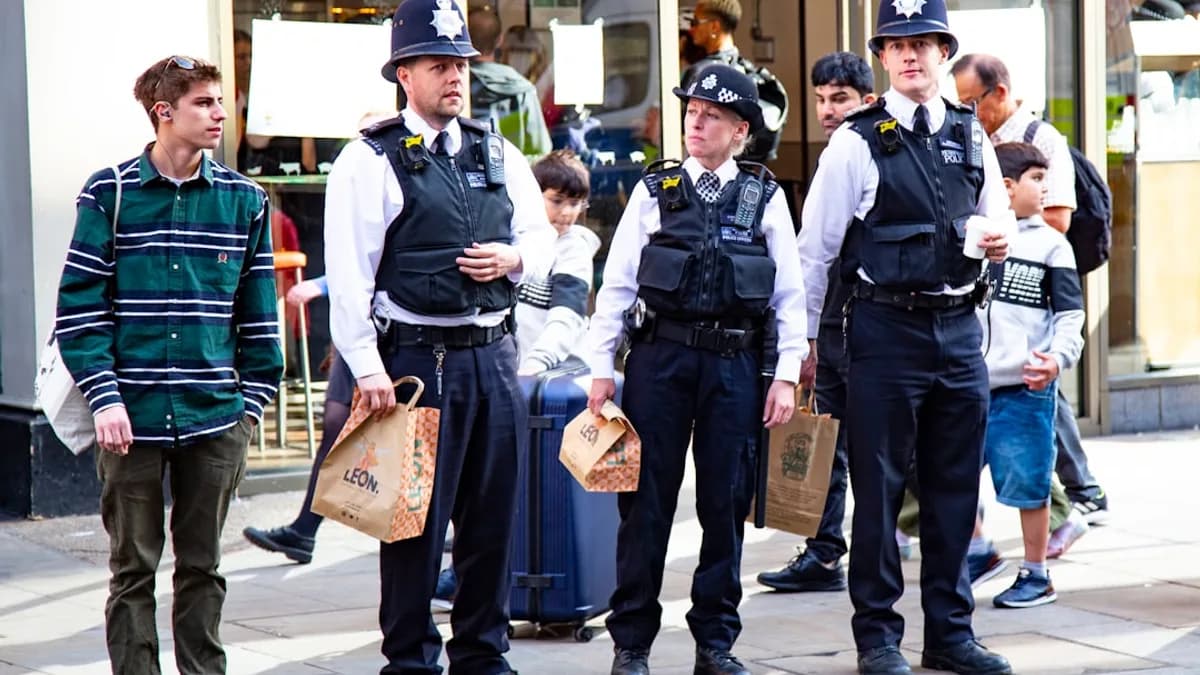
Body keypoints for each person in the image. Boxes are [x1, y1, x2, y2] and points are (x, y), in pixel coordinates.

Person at [323, 0, 555, 671]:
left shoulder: (497, 149)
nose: (455, 77)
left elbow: (540, 239)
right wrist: (368, 371)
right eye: (438, 65)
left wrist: (513, 259)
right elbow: (351, 276)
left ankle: (484, 654)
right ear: (403, 74)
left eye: (460, 64)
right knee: (409, 528)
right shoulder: (368, 160)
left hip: (493, 356)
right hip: (414, 361)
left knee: (491, 524)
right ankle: (410, 660)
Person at [795, 1, 1016, 673]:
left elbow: (994, 212)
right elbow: (815, 250)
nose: (912, 54)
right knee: (880, 489)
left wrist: (998, 238)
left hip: (956, 328)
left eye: (924, 42)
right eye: (899, 45)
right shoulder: (856, 140)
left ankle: (950, 633)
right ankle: (878, 637)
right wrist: (801, 346)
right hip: (883, 329)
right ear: (883, 59)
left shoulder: (968, 131)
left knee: (954, 490)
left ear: (944, 51)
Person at [55, 55, 282, 674]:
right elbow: (78, 309)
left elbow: (260, 314)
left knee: (203, 567)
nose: (219, 113)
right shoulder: (111, 193)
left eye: (219, 101)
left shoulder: (245, 200)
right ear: (165, 113)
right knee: (132, 570)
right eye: (205, 102)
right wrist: (104, 398)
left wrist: (252, 407)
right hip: (130, 417)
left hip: (216, 416)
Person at [587, 62, 807, 675]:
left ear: (741, 131)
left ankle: (716, 643)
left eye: (712, 116)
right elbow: (617, 284)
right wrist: (601, 368)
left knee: (725, 503)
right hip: (660, 361)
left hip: (735, 367)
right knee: (644, 504)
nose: (697, 123)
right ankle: (631, 643)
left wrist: (785, 373)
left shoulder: (764, 195)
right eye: (691, 112)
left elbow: (790, 296)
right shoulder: (654, 190)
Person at [430, 149, 601, 610]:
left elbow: (567, 316)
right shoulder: (514, 241)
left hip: (549, 380)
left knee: (519, 487)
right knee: (483, 481)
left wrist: (534, 365)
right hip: (511, 373)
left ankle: (496, 579)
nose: (565, 213)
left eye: (575, 203)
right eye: (555, 200)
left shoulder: (574, 249)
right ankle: (467, 574)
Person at [952, 52, 1104, 551]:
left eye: (974, 103)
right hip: (989, 323)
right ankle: (1070, 500)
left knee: (1036, 401)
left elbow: (1058, 215)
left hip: (1033, 294)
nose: (969, 114)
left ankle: (1076, 498)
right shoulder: (970, 137)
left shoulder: (1042, 142)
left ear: (999, 93)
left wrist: (1009, 231)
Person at [757, 51, 875, 594]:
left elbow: (817, 254)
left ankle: (969, 539)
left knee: (864, 440)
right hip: (837, 323)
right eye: (822, 100)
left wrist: (804, 335)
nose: (827, 111)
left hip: (860, 324)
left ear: (866, 100)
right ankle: (826, 550)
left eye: (840, 99)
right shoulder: (842, 151)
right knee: (829, 438)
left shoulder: (861, 151)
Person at [973, 142, 1085, 609]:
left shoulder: (1052, 245)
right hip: (968, 384)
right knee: (944, 475)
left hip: (1026, 388)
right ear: (1005, 186)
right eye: (1037, 178)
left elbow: (1070, 315)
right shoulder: (976, 236)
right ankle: (977, 550)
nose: (1046, 187)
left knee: (1029, 486)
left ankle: (1036, 574)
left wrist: (1058, 359)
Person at [241, 278, 355, 565]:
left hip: (385, 326)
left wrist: (326, 284)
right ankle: (304, 529)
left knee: (407, 436)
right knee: (337, 427)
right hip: (355, 327)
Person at [680, 0, 788, 163]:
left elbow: (682, 131)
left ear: (714, 27)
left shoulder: (702, 73)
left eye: (695, 22)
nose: (692, 29)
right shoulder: (747, 71)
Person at [467, 3, 553, 158]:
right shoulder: (523, 90)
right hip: (511, 179)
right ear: (500, 41)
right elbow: (540, 150)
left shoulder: (456, 84)